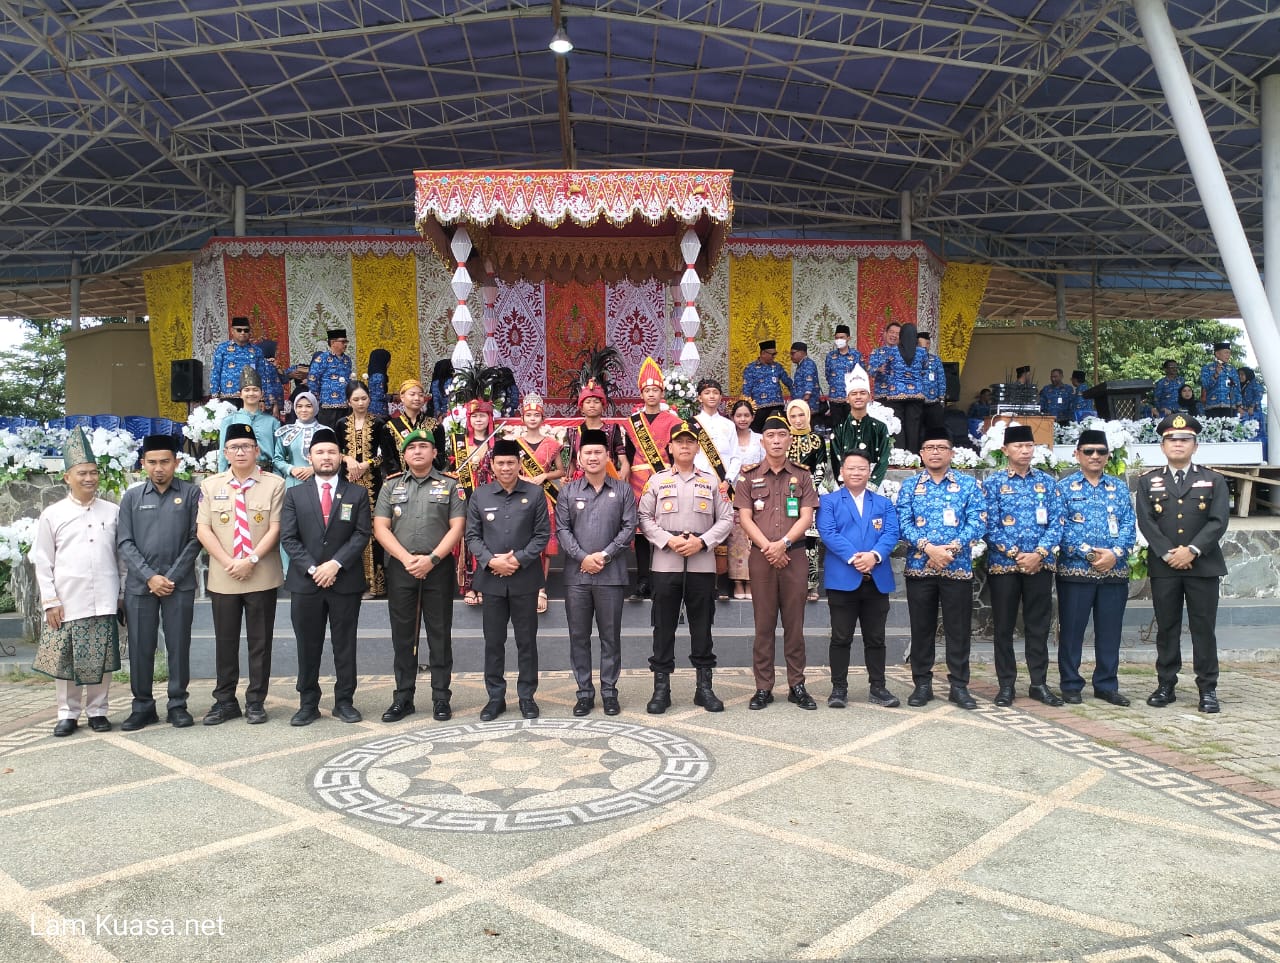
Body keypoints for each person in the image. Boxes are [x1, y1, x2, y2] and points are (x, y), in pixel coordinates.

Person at [638, 420, 735, 714]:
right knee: (663, 627)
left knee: (702, 627)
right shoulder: (656, 481)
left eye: (689, 442)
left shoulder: (711, 482)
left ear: (697, 447)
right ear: (670, 447)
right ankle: (661, 690)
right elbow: (643, 517)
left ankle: (704, 688)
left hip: (701, 564)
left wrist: (702, 542)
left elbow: (727, 519)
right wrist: (667, 540)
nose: (684, 446)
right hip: (665, 562)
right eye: (679, 442)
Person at [1136, 414, 1230, 713]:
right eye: (1172, 440)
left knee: (1203, 628)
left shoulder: (1214, 480)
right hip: (1165, 567)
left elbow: (1218, 521)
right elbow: (1146, 521)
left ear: (1195, 446)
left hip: (1203, 566)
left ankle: (1208, 688)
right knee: (1167, 627)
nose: (1178, 444)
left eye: (1185, 439)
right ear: (1162, 446)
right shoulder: (1148, 481)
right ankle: (1166, 684)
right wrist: (1168, 553)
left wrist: (1191, 550)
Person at [31, 428, 122, 736]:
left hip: (105, 596)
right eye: (82, 473)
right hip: (68, 600)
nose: (89, 478)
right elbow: (43, 560)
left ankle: (98, 711)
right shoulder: (53, 514)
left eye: (93, 472)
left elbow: (121, 557)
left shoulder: (112, 511)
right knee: (67, 660)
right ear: (67, 477)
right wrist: (50, 601)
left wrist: (121, 593)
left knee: (102, 656)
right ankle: (67, 714)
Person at [373, 427, 467, 723]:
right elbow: (380, 527)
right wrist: (406, 559)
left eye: (424, 447)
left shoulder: (450, 485)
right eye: (412, 448)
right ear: (404, 455)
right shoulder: (391, 486)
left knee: (439, 634)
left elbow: (457, 526)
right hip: (402, 569)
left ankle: (441, 697)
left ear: (434, 452)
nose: (417, 451)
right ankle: (403, 697)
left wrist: (433, 559)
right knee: (403, 635)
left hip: (438, 568)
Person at [279, 427, 371, 725]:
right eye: (320, 452)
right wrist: (314, 568)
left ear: (341, 456)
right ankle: (308, 703)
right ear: (310, 457)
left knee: (345, 644)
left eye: (332, 451)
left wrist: (335, 564)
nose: (326, 457)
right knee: (308, 645)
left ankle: (344, 701)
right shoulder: (294, 494)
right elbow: (289, 538)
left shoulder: (356, 493)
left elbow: (361, 534)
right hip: (306, 583)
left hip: (345, 581)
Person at [196, 422, 286, 725]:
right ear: (225, 453)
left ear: (257, 450)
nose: (240, 452)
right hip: (224, 575)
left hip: (261, 573)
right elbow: (203, 529)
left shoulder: (274, 484)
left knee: (260, 642)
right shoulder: (211, 485)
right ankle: (225, 701)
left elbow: (275, 527)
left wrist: (251, 559)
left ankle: (256, 701)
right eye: (234, 447)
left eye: (246, 446)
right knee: (225, 641)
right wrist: (228, 562)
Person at [895, 425, 987, 710]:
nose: (935, 453)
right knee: (922, 629)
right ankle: (922, 684)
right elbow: (902, 523)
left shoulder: (968, 485)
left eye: (941, 448)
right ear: (921, 454)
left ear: (951, 453)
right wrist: (928, 548)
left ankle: (959, 686)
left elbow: (978, 521)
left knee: (958, 629)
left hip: (956, 567)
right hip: (919, 568)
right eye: (929, 448)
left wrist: (952, 549)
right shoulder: (910, 486)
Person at [116, 434, 202, 730]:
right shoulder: (132, 497)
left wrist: (170, 577)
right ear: (143, 464)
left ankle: (177, 704)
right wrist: (150, 576)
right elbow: (125, 542)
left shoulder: (191, 494)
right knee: (141, 646)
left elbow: (196, 539)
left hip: (179, 586)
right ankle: (142, 706)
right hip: (141, 587)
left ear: (176, 462)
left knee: (178, 645)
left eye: (165, 461)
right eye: (152, 462)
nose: (159, 468)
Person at [736, 413, 821, 710]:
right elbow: (745, 518)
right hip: (762, 557)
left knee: (795, 625)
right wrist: (769, 547)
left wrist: (783, 544)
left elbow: (807, 516)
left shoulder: (803, 475)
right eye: (770, 436)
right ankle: (763, 687)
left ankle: (797, 684)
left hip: (794, 554)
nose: (776, 441)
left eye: (781, 435)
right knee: (764, 624)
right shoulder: (748, 476)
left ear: (789, 440)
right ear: (763, 442)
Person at [980, 425, 1066, 707]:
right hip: (1004, 566)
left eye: (1029, 445)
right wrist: (1018, 554)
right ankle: (1006, 685)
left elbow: (1058, 522)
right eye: (1019, 446)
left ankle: (1038, 683)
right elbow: (989, 524)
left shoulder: (1047, 482)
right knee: (1004, 627)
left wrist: (1038, 554)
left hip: (1039, 565)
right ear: (1005, 450)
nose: (1025, 451)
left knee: (1038, 626)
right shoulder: (993, 483)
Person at [466, 436, 551, 721]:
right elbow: (472, 536)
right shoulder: (480, 495)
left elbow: (542, 535)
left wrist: (517, 560)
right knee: (494, 642)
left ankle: (527, 697)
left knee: (526, 642)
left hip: (524, 579)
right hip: (491, 581)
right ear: (492, 465)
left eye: (511, 463)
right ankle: (495, 698)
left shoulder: (535, 494)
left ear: (519, 464)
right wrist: (492, 561)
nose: (505, 468)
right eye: (500, 463)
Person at [558, 428, 638, 716]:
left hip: (611, 575)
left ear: (608, 457)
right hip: (577, 577)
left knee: (610, 636)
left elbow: (629, 527)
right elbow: (562, 530)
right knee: (578, 636)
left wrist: (603, 555)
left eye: (598, 452)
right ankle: (584, 693)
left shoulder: (623, 490)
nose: (593, 457)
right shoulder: (568, 491)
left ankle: (609, 692)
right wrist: (583, 557)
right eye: (588, 453)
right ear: (579, 458)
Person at [1056, 429, 1137, 706]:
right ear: (1077, 454)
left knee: (1110, 632)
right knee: (1072, 632)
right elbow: (1061, 528)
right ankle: (1070, 684)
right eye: (1088, 451)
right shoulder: (1063, 488)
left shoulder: (1119, 487)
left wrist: (1115, 554)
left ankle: (1106, 684)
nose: (1095, 456)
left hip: (1114, 572)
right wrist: (1090, 555)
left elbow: (1129, 525)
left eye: (1101, 452)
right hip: (1075, 573)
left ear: (1108, 456)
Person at [817, 451, 901, 709]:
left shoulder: (883, 503)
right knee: (841, 637)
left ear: (869, 472)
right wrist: (856, 558)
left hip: (876, 579)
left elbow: (892, 532)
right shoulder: (829, 502)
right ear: (842, 472)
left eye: (862, 468)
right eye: (851, 468)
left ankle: (878, 687)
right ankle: (838, 689)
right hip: (843, 579)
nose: (856, 472)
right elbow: (828, 532)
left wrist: (874, 556)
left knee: (876, 638)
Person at [623, 357, 682, 600]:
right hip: (638, 482)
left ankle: (662, 579)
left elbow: (677, 452)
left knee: (663, 527)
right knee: (641, 531)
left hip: (665, 478)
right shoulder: (632, 423)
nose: (651, 394)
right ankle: (643, 580)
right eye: (647, 391)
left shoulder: (674, 421)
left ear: (662, 392)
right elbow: (627, 455)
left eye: (655, 390)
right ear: (641, 394)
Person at [337, 381, 388, 597]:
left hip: (373, 483)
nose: (360, 403)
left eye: (364, 398)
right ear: (348, 402)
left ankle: (376, 584)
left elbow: (386, 453)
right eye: (356, 399)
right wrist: (347, 459)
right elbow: (335, 450)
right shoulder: (341, 424)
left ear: (369, 399)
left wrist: (367, 464)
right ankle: (353, 582)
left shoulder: (379, 423)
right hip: (348, 483)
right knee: (348, 528)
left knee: (374, 530)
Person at [515, 394, 564, 614]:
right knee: (521, 540)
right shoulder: (515, 443)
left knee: (544, 543)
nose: (533, 418)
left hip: (544, 498)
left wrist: (544, 476)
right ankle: (523, 585)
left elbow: (561, 471)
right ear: (523, 418)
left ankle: (541, 588)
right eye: (529, 415)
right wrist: (522, 478)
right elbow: (508, 468)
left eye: (536, 415)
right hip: (520, 497)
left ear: (543, 418)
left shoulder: (552, 444)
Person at [452, 398, 496, 605]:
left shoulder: (497, 442)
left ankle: (487, 585)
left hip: (491, 496)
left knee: (490, 540)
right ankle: (470, 586)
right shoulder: (459, 443)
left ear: (490, 418)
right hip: (467, 497)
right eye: (475, 416)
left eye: (483, 416)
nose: (479, 420)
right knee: (469, 541)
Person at [785, 399, 826, 602]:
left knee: (810, 541)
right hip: (786, 495)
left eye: (801, 415)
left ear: (808, 415)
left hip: (809, 495)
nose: (798, 420)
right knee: (787, 537)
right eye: (793, 416)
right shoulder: (784, 438)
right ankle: (790, 582)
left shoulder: (817, 440)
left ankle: (811, 584)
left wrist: (809, 488)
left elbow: (821, 467)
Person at [829, 365, 892, 490]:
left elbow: (884, 459)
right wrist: (846, 487)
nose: (858, 397)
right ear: (847, 398)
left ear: (869, 397)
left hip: (873, 488)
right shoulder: (838, 429)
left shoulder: (880, 428)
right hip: (845, 488)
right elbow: (836, 461)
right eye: (854, 393)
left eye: (862, 393)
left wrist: (871, 486)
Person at [726, 399, 764, 601]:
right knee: (735, 538)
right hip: (731, 491)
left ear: (753, 417)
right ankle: (737, 581)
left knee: (752, 538)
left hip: (756, 492)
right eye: (738, 415)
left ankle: (751, 580)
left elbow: (766, 464)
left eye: (746, 415)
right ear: (732, 417)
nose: (742, 419)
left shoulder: (760, 439)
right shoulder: (727, 438)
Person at [871, 322, 926, 453]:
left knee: (897, 426)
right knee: (913, 427)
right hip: (916, 395)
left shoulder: (893, 351)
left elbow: (887, 369)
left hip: (896, 393)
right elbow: (924, 369)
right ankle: (913, 455)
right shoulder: (922, 352)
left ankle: (899, 456)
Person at [218, 367, 282, 472]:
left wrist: (277, 477)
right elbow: (223, 454)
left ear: (262, 394)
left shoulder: (272, 422)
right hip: (237, 473)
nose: (251, 393)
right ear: (240, 394)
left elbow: (278, 455)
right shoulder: (229, 420)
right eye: (247, 390)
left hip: (266, 473)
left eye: (255, 390)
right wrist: (223, 477)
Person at [565, 379, 628, 480]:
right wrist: (567, 478)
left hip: (608, 479)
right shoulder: (573, 432)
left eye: (596, 402)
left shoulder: (612, 430)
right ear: (581, 408)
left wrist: (623, 472)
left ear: (603, 407)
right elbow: (572, 462)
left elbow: (623, 460)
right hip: (581, 482)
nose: (592, 405)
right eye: (588, 402)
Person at [381, 378, 441, 477]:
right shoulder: (389, 427)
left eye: (420, 395)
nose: (417, 398)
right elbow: (389, 460)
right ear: (402, 397)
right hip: (401, 481)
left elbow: (439, 457)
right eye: (412, 394)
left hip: (430, 479)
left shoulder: (435, 426)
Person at [209, 316, 266, 404]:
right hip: (227, 397)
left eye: (246, 330)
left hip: (250, 397)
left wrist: (262, 399)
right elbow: (215, 372)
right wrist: (215, 397)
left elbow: (262, 375)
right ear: (232, 331)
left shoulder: (257, 351)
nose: (243, 333)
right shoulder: (222, 348)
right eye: (239, 330)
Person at [741, 339, 792, 431]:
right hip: (760, 408)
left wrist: (799, 395)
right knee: (758, 432)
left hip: (777, 407)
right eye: (772, 354)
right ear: (763, 353)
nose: (774, 357)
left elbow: (788, 382)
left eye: (775, 354)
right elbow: (746, 389)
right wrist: (746, 407)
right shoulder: (751, 368)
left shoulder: (777, 367)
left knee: (778, 431)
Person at [273, 391, 321, 488]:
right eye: (299, 406)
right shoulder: (286, 432)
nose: (304, 410)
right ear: (295, 408)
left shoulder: (325, 431)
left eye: (308, 406)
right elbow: (277, 459)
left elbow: (334, 458)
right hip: (293, 482)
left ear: (315, 407)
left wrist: (314, 469)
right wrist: (291, 469)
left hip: (320, 482)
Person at [309, 328, 354, 426]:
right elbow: (313, 379)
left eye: (346, 342)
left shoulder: (347, 360)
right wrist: (317, 398)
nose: (345, 344)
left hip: (345, 406)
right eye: (343, 342)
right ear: (333, 343)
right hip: (328, 406)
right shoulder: (322, 358)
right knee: (328, 432)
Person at [824, 324, 862, 426]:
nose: (839, 340)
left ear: (848, 338)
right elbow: (827, 375)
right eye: (837, 338)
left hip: (851, 398)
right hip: (834, 398)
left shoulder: (856, 355)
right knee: (837, 428)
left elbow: (861, 375)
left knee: (852, 427)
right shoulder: (830, 356)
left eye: (841, 337)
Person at [917, 331, 948, 434]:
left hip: (933, 402)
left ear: (929, 344)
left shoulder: (935, 360)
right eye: (920, 344)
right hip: (917, 403)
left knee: (935, 432)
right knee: (917, 432)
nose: (924, 347)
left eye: (926, 344)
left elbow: (941, 379)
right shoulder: (912, 361)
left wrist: (941, 398)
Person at [1200, 341, 1241, 418]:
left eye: (1229, 353)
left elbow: (1237, 388)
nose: (1228, 355)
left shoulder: (1232, 369)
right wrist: (1215, 375)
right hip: (1212, 407)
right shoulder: (1207, 369)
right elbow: (1205, 385)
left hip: (1230, 407)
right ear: (1217, 354)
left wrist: (1239, 405)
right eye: (1226, 353)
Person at [258, 339, 285, 418]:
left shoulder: (272, 364)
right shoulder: (265, 365)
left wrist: (277, 367)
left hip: (271, 403)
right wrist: (275, 405)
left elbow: (284, 379)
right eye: (275, 350)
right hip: (268, 404)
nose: (277, 352)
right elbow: (269, 387)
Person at [789, 341, 819, 408]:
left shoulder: (808, 364)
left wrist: (806, 399)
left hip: (807, 404)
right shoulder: (801, 364)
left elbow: (809, 382)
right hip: (801, 402)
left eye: (793, 353)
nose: (791, 356)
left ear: (802, 352)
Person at [367, 348, 391, 417]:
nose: (390, 363)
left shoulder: (373, 374)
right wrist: (392, 397)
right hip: (378, 411)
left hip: (373, 409)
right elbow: (378, 396)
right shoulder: (378, 376)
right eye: (389, 360)